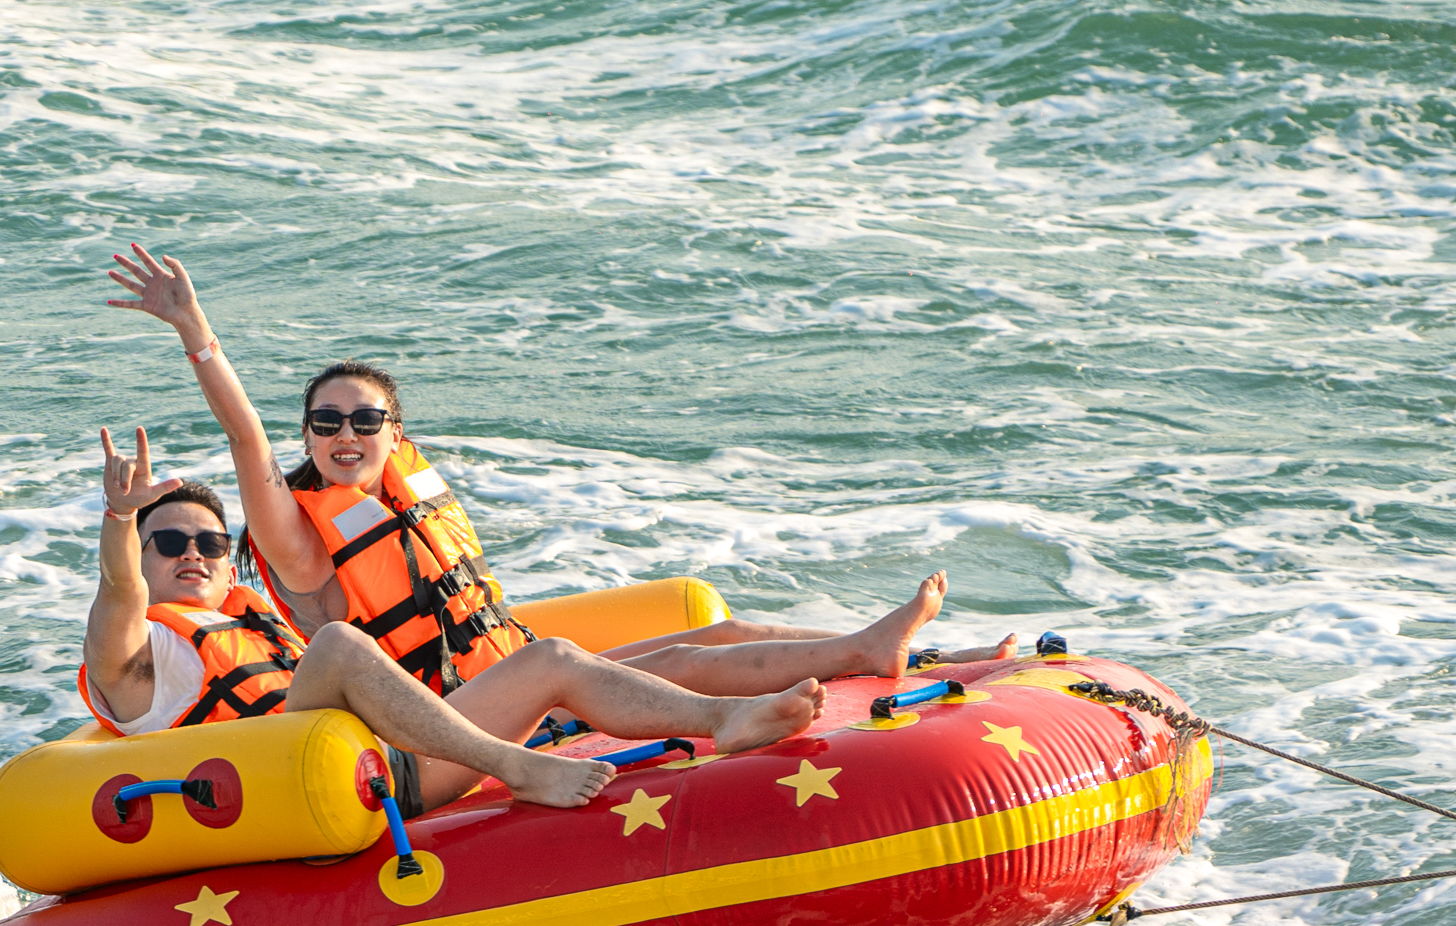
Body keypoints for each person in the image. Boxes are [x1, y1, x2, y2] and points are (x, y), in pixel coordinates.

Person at [104, 244, 1013, 700]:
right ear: (308, 431)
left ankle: (903, 654)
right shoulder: (298, 532)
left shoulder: (404, 492)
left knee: (716, 637)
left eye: (364, 418)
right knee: (683, 660)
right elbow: (245, 443)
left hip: (506, 662)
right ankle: (866, 651)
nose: (344, 432)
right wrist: (197, 333)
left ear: (395, 432)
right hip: (456, 709)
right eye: (325, 420)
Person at [83, 426, 826, 815]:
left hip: (378, 767)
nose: (194, 554)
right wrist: (120, 518)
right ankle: (513, 766)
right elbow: (118, 590)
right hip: (293, 800)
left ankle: (725, 716)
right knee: (341, 642)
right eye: (169, 542)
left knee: (554, 659)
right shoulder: (143, 660)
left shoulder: (255, 624)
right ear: (141, 554)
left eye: (211, 542)